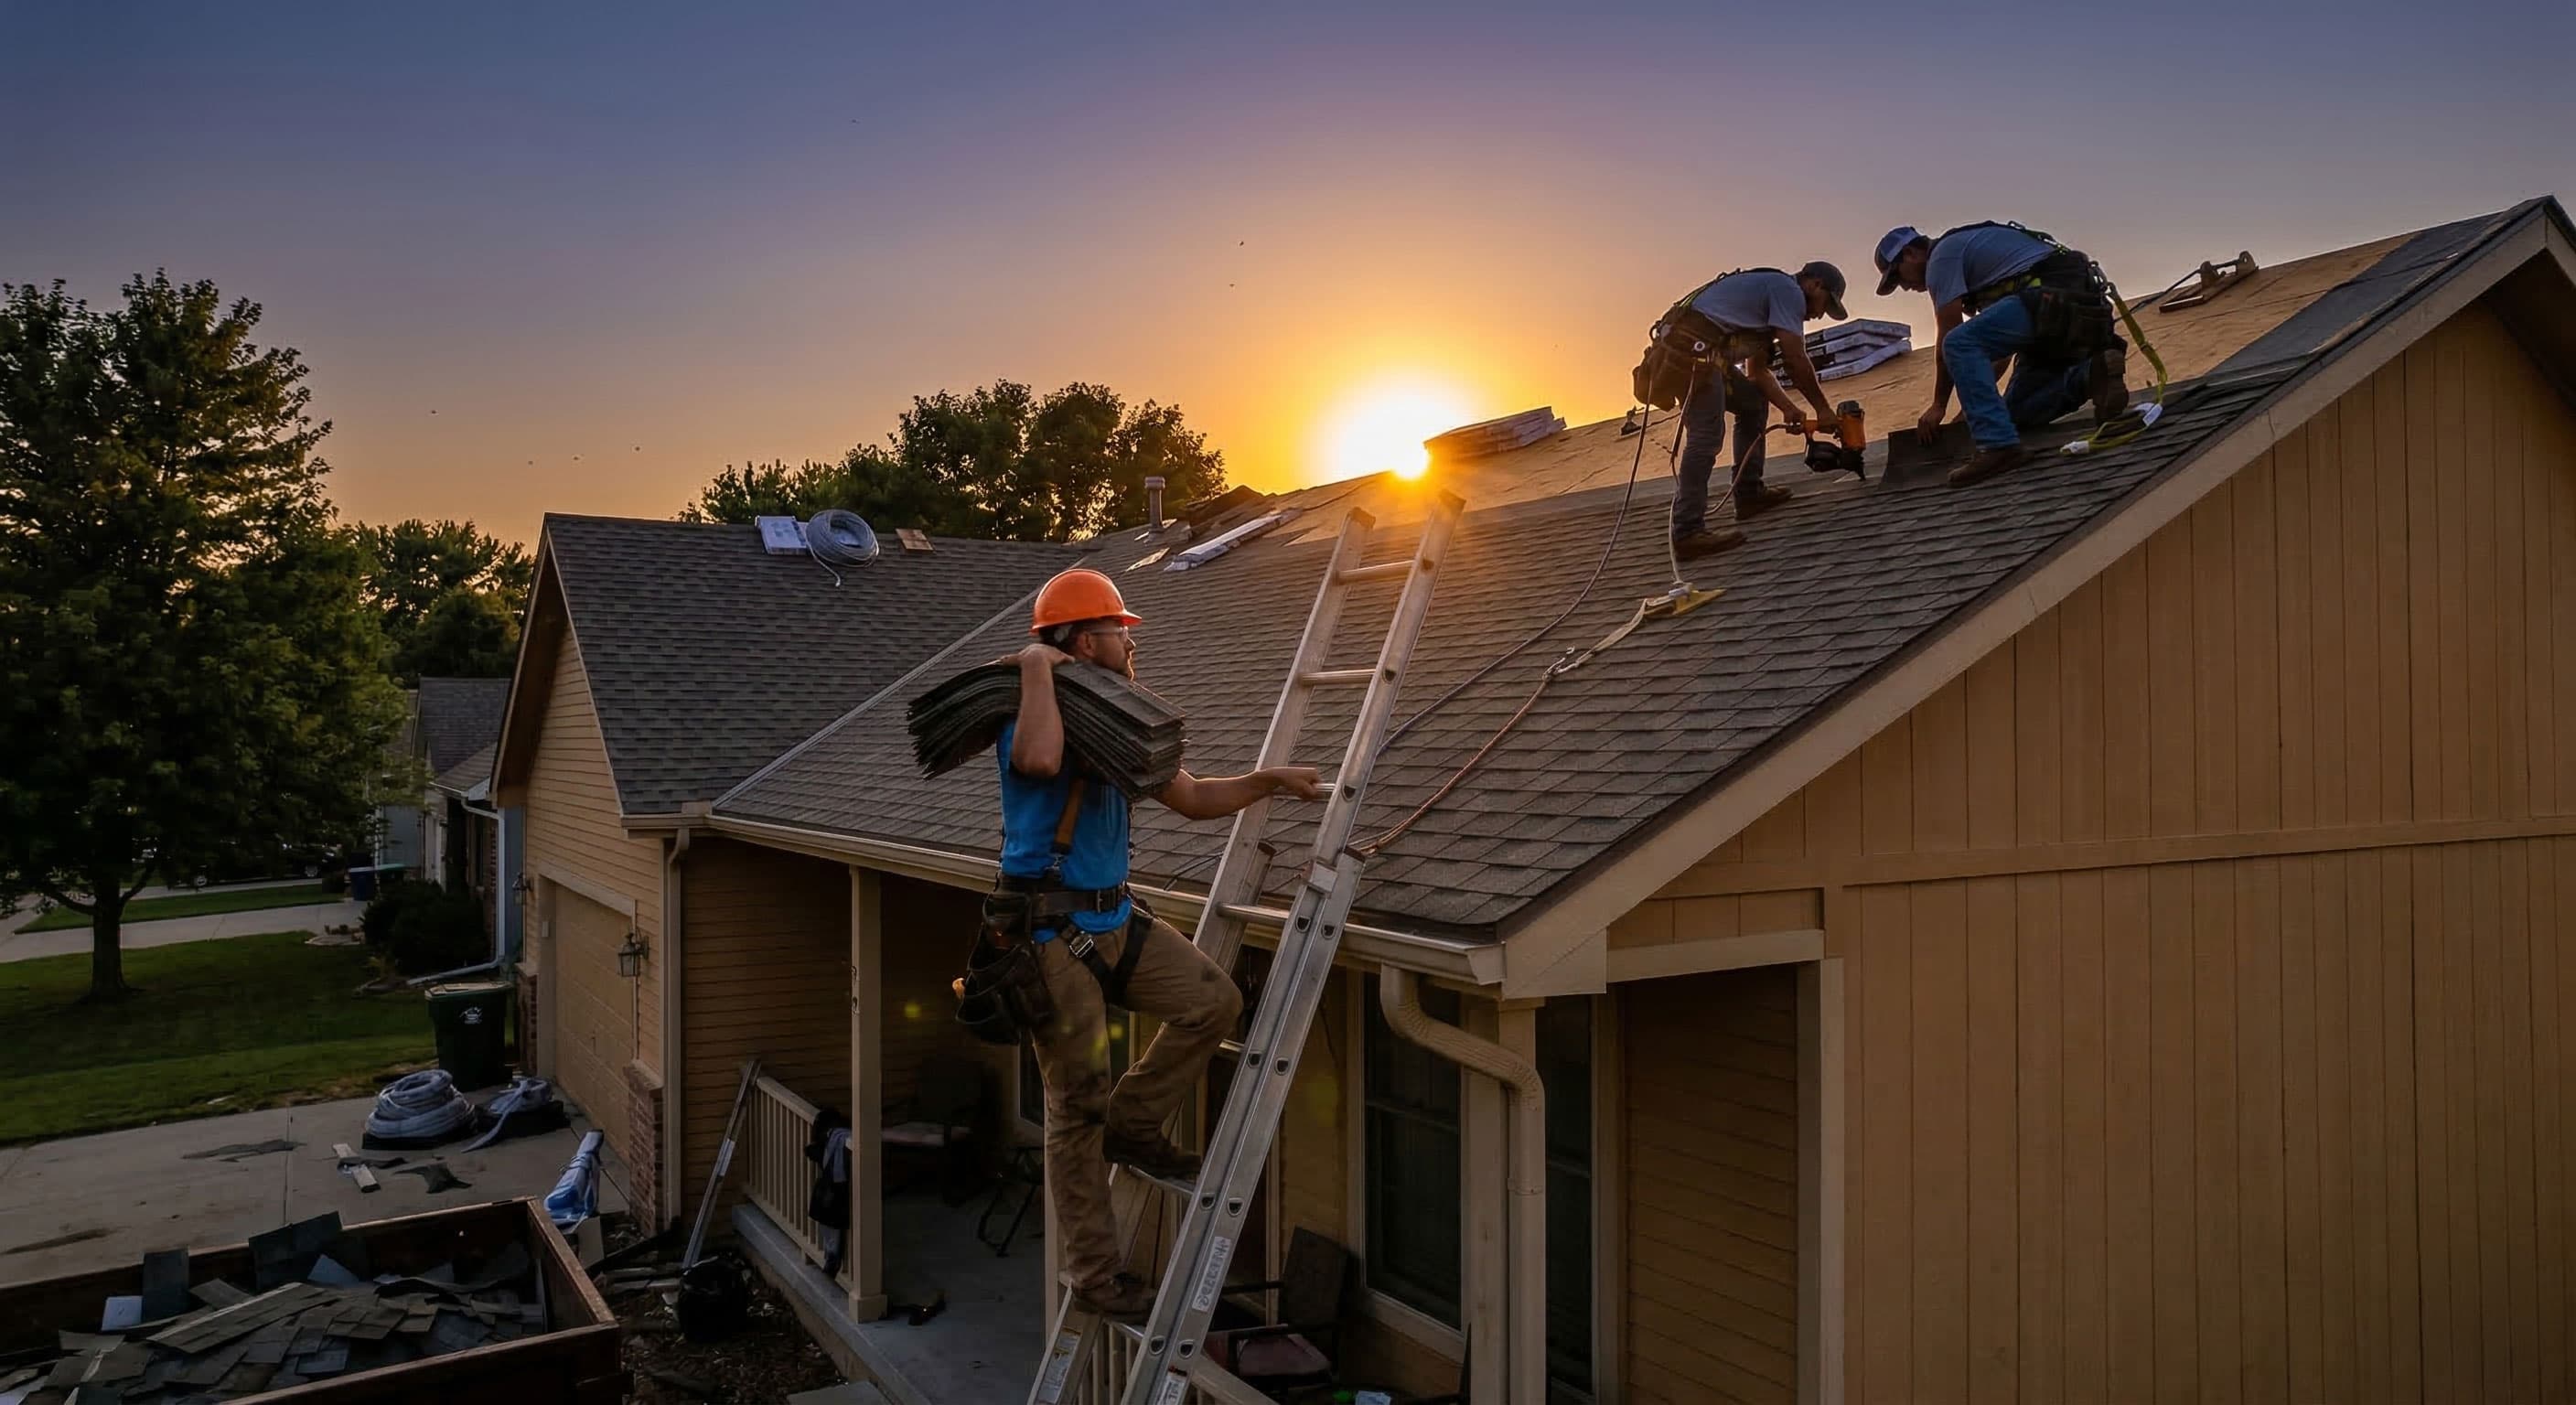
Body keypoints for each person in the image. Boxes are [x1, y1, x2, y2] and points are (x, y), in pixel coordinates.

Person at [999, 566, 1322, 1319]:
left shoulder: (1116, 725)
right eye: (1118, 631)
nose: (1130, 642)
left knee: (1214, 1002)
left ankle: (1136, 1125)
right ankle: (1096, 1276)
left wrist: (1270, 780)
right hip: (1049, 931)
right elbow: (1040, 763)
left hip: (1116, 920)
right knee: (1075, 1106)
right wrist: (1039, 669)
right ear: (1085, 640)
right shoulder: (1032, 712)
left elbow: (1195, 797)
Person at [1872, 221, 2131, 485]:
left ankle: (1998, 448)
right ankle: (2092, 375)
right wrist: (1971, 413)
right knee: (2014, 415)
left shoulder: (1942, 257)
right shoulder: (1987, 270)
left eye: (1898, 276)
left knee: (1957, 342)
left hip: (2051, 298)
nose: (1904, 286)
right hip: (2067, 312)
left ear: (1911, 254)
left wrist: (1939, 405)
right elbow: (1996, 358)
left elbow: (1950, 338)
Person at [1663, 262, 1850, 558]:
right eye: (1825, 304)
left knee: (1751, 401)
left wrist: (1789, 409)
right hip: (1692, 353)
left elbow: (1758, 373)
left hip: (1705, 355)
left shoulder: (1768, 308)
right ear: (1814, 284)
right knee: (1707, 436)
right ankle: (1687, 532)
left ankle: (1749, 494)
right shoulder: (1787, 291)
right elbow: (1795, 358)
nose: (1818, 315)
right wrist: (1823, 409)